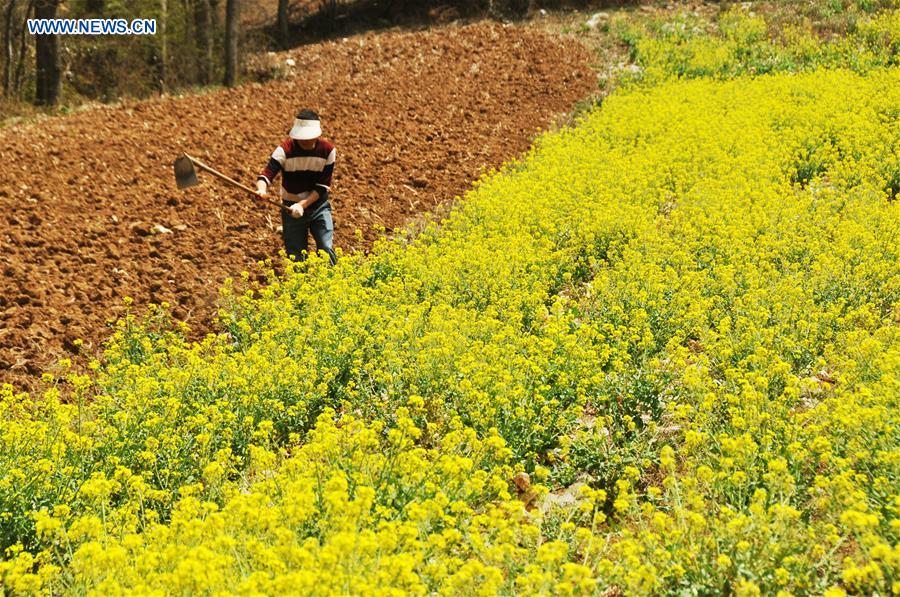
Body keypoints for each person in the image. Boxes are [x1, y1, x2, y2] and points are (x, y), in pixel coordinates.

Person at [256, 109, 337, 265]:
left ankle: (333, 281)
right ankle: (301, 286)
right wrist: (261, 189)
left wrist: (302, 205)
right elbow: (267, 174)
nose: (304, 140)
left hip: (318, 206)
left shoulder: (328, 151)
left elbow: (322, 186)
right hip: (289, 208)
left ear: (317, 134)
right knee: (296, 256)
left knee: (326, 248)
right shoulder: (285, 150)